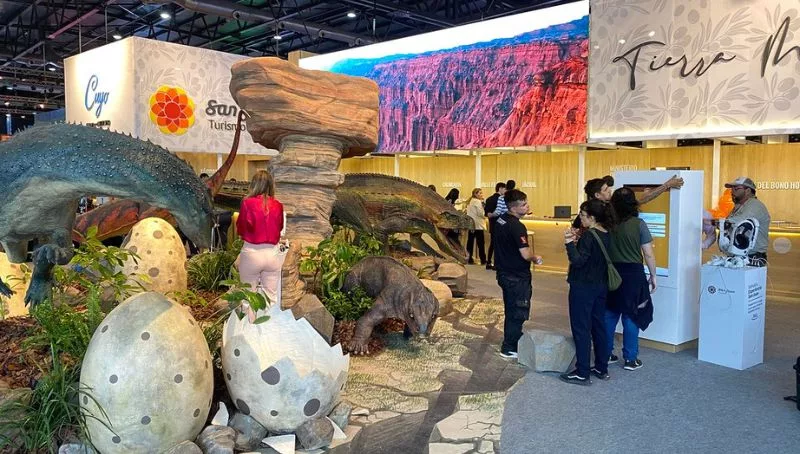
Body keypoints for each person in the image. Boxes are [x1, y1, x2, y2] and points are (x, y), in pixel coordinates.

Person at [561, 199, 613, 385]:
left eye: (582, 215)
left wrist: (569, 243)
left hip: (583, 286)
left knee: (581, 328)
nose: (580, 218)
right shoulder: (607, 233)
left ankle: (582, 372)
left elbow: (578, 261)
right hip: (601, 285)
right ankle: (601, 367)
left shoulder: (589, 236)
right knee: (599, 326)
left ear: (592, 217)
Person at [605, 187, 656, 371]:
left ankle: (606, 354)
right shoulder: (639, 224)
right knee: (631, 315)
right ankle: (630, 359)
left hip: (611, 273)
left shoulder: (607, 225)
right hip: (633, 274)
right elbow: (648, 254)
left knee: (609, 314)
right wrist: (653, 274)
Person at [493, 189, 543, 359]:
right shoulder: (517, 226)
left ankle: (512, 340)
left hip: (504, 273)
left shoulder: (500, 220)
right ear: (513, 208)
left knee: (511, 308)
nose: (527, 206)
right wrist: (535, 257)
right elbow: (525, 254)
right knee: (517, 311)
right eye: (523, 205)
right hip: (516, 276)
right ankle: (510, 346)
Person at [236, 170, 285, 319]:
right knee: (271, 298)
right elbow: (280, 227)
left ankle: (248, 328)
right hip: (273, 254)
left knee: (247, 297)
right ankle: (270, 329)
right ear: (271, 185)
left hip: (252, 253)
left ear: (254, 184)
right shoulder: (278, 205)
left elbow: (241, 228)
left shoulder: (247, 203)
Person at [723, 177, 770, 266]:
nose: (732, 191)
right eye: (732, 189)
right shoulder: (740, 206)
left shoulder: (755, 205)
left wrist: (713, 222)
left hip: (751, 258)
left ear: (748, 190)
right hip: (740, 256)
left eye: (736, 188)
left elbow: (736, 222)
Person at [484, 182, 506, 270]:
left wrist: (490, 215)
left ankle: (489, 262)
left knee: (492, 244)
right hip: (501, 225)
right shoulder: (502, 199)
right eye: (504, 189)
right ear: (500, 188)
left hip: (492, 225)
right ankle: (497, 263)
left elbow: (486, 213)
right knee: (500, 245)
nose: (505, 191)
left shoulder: (489, 199)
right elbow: (499, 212)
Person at [465, 188, 487, 265]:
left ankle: (469, 258)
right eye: (480, 193)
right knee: (480, 243)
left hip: (472, 224)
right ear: (475, 194)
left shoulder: (470, 201)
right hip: (478, 225)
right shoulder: (477, 202)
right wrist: (485, 213)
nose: (481, 194)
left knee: (470, 242)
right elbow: (481, 213)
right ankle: (483, 259)